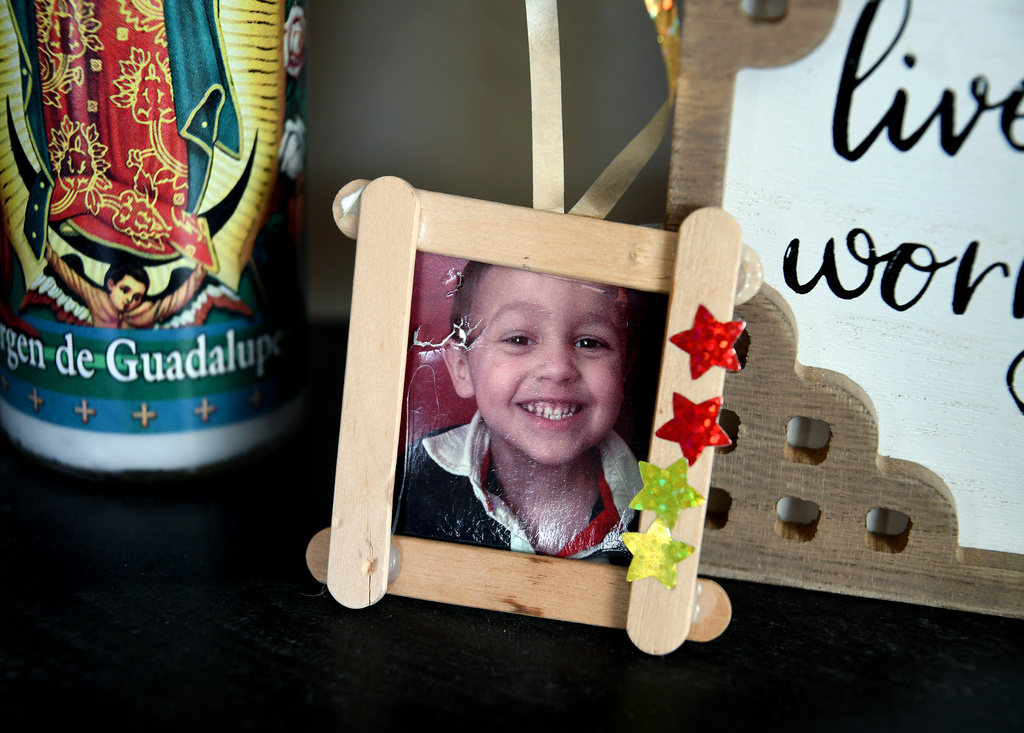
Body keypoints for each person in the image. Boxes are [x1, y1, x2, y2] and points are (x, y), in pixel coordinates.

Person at [398, 261, 641, 560]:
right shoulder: (411, 482)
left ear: (623, 370)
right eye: (518, 340)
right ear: (462, 367)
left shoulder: (663, 500)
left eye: (590, 343)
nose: (558, 369)